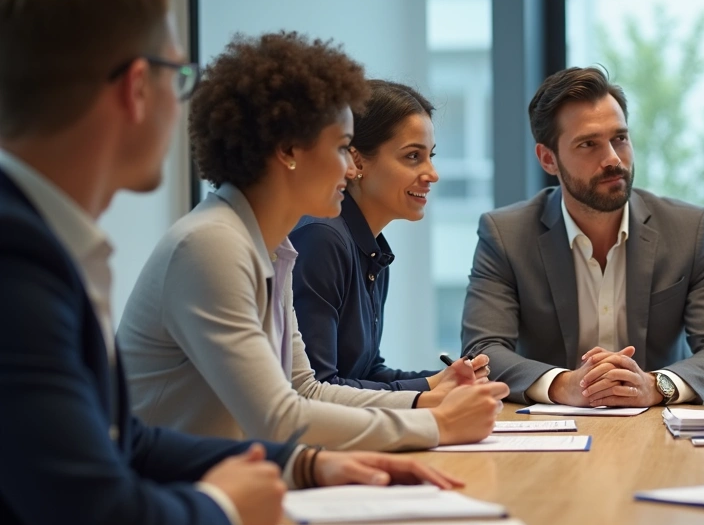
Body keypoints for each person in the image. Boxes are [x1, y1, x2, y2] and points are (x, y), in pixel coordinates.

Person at [0, 0, 463, 525]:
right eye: (178, 75)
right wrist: (224, 506)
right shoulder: (28, 259)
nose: (350, 167)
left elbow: (127, 442)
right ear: (137, 88)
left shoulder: (58, 244)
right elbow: (95, 518)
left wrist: (305, 464)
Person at [118, 31, 508, 452]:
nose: (349, 168)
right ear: (289, 151)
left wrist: (424, 404)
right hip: (181, 484)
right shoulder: (211, 245)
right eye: (342, 148)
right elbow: (278, 417)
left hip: (231, 473)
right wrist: (436, 423)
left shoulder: (272, 247)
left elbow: (306, 390)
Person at [461, 66, 704, 407]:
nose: (612, 159)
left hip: (657, 426)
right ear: (548, 159)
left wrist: (655, 385)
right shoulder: (505, 235)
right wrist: (563, 385)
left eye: (620, 138)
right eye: (588, 144)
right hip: (550, 429)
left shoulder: (689, 229)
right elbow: (483, 352)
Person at [291, 80, 491, 391]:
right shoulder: (322, 239)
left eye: (431, 156)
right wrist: (431, 387)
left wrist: (448, 380)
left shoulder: (371, 250)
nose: (432, 174)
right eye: (413, 156)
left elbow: (367, 371)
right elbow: (317, 388)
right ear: (356, 161)